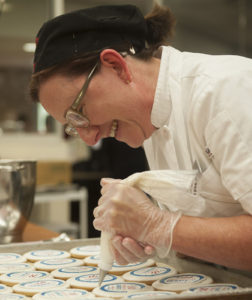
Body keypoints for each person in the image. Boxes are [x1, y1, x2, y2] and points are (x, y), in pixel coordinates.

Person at [29, 4, 252, 271]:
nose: (89, 138)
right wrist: (149, 236)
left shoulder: (228, 93)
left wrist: (158, 226)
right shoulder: (150, 123)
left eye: (79, 113)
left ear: (116, 66)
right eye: (74, 127)